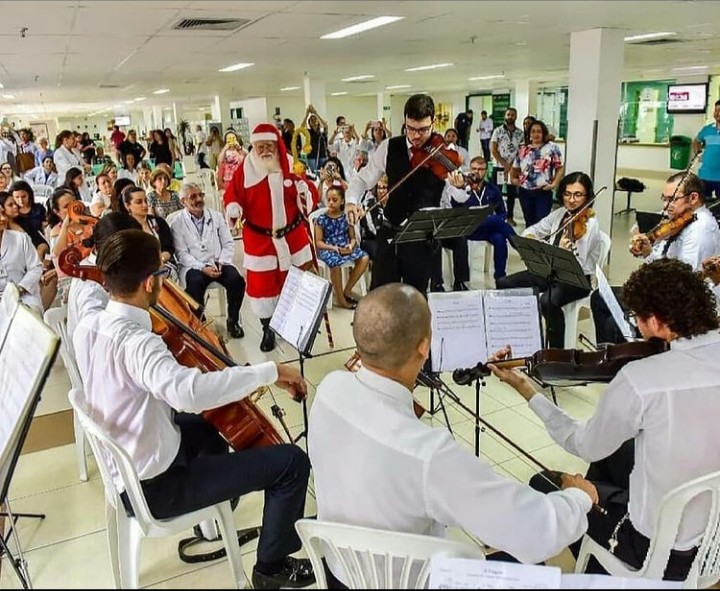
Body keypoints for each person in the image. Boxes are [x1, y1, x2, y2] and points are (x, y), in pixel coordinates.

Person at [72, 228, 315, 590]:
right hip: (157, 486)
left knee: (207, 425)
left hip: (128, 466)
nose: (164, 281)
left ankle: (214, 515)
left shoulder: (89, 325)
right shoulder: (138, 342)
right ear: (148, 283)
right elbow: (189, 393)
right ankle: (271, 567)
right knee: (292, 462)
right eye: (161, 273)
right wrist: (269, 372)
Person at [309, 283, 595, 587]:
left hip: (340, 573)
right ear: (424, 348)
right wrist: (578, 497)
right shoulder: (429, 455)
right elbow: (537, 532)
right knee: (529, 565)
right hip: (412, 582)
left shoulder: (329, 388)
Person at [490, 258, 720, 580]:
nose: (637, 330)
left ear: (655, 322)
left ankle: (594, 568)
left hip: (656, 549)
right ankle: (596, 535)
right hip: (713, 540)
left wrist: (528, 390)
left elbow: (583, 443)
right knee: (612, 457)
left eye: (637, 320)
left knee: (545, 482)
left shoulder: (641, 379)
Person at [345, 94, 466, 294]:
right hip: (390, 232)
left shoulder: (443, 154)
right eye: (411, 128)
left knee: (415, 298)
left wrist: (460, 186)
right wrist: (351, 201)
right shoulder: (389, 147)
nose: (416, 136)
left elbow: (460, 197)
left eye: (423, 130)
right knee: (380, 295)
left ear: (433, 122)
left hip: (422, 238)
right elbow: (362, 180)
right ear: (405, 121)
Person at [591, 171, 720, 345]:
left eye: (672, 199)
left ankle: (629, 356)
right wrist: (644, 242)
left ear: (693, 198)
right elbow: (661, 254)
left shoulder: (700, 231)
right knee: (599, 297)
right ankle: (605, 354)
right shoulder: (677, 219)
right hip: (664, 289)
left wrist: (649, 254)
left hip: (680, 304)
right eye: (664, 199)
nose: (666, 206)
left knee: (613, 325)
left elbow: (680, 282)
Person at [223, 123, 319, 352]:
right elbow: (232, 195)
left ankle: (293, 325)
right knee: (263, 288)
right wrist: (234, 208)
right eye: (260, 146)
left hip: (292, 238)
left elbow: (310, 197)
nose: (265, 150)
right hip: (261, 241)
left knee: (294, 284)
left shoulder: (290, 164)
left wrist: (304, 190)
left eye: (269, 146)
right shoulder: (245, 170)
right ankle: (268, 329)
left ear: (277, 145)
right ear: (253, 147)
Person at [497, 172, 601, 348]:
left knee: (548, 301)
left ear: (587, 196)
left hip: (577, 279)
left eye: (578, 195)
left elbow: (580, 263)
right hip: (550, 271)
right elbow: (535, 229)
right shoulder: (560, 214)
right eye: (567, 194)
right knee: (504, 283)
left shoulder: (590, 224)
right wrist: (531, 238)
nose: (572, 200)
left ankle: (556, 352)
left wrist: (562, 251)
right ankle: (520, 337)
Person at [170, 183, 245, 338]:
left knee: (237, 281)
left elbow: (228, 243)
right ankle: (201, 325)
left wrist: (222, 262)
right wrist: (202, 267)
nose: (199, 199)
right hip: (194, 266)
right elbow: (181, 254)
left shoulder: (216, 217)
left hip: (218, 262)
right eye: (193, 196)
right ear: (183, 201)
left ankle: (233, 320)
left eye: (200, 195)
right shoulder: (177, 223)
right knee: (195, 284)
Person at [442, 156, 515, 283]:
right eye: (474, 169)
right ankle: (518, 243)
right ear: (470, 169)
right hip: (467, 228)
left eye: (481, 169)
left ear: (486, 171)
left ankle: (500, 278)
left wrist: (493, 219)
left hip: (486, 230)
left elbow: (502, 213)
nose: (477, 172)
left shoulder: (493, 189)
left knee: (499, 238)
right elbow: (455, 209)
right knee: (493, 220)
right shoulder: (462, 188)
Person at [314, 185, 369, 309]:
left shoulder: (346, 216)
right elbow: (318, 242)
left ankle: (347, 289)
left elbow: (352, 237)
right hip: (328, 248)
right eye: (329, 200)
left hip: (344, 246)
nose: (331, 203)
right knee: (335, 263)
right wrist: (334, 248)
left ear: (342, 201)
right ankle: (340, 298)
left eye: (334, 200)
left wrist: (350, 245)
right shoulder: (321, 219)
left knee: (364, 258)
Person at [509, 119, 564, 227]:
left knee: (541, 223)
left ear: (543, 133)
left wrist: (554, 183)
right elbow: (515, 167)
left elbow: (560, 167)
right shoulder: (523, 149)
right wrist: (513, 179)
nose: (536, 134)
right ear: (529, 134)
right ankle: (529, 238)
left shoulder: (551, 148)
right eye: (533, 131)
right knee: (529, 222)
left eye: (539, 131)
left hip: (543, 191)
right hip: (525, 191)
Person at [121, 185, 177, 281]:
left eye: (146, 201)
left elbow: (168, 248)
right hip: (137, 269)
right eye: (139, 202)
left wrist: (160, 260)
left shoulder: (159, 222)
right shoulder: (125, 228)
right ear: (127, 206)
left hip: (163, 263)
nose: (144, 205)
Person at [0, 197, 44, 312]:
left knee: (26, 316)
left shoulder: (20, 238)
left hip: (23, 297)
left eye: (3, 213)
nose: (3, 218)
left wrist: (19, 290)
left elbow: (36, 267)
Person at [490, 107, 524, 227]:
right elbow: (493, 149)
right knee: (496, 192)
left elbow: (521, 151)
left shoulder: (520, 133)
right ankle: (498, 216)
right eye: (508, 114)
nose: (510, 117)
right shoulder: (497, 131)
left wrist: (511, 166)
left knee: (511, 194)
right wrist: (505, 164)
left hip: (513, 169)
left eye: (513, 115)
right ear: (505, 116)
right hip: (499, 167)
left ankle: (510, 217)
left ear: (516, 117)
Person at [692, 99, 720, 201]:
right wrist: (698, 154)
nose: (717, 113)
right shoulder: (707, 129)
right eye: (715, 110)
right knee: (702, 203)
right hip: (705, 175)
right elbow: (696, 141)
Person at [301, 105, 329, 172]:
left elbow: (325, 125)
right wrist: (307, 114)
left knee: (323, 172)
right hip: (311, 156)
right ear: (309, 123)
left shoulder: (322, 131)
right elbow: (302, 128)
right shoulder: (309, 132)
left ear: (318, 122)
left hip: (322, 155)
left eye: (315, 119)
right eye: (311, 120)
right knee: (313, 173)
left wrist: (316, 113)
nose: (313, 120)